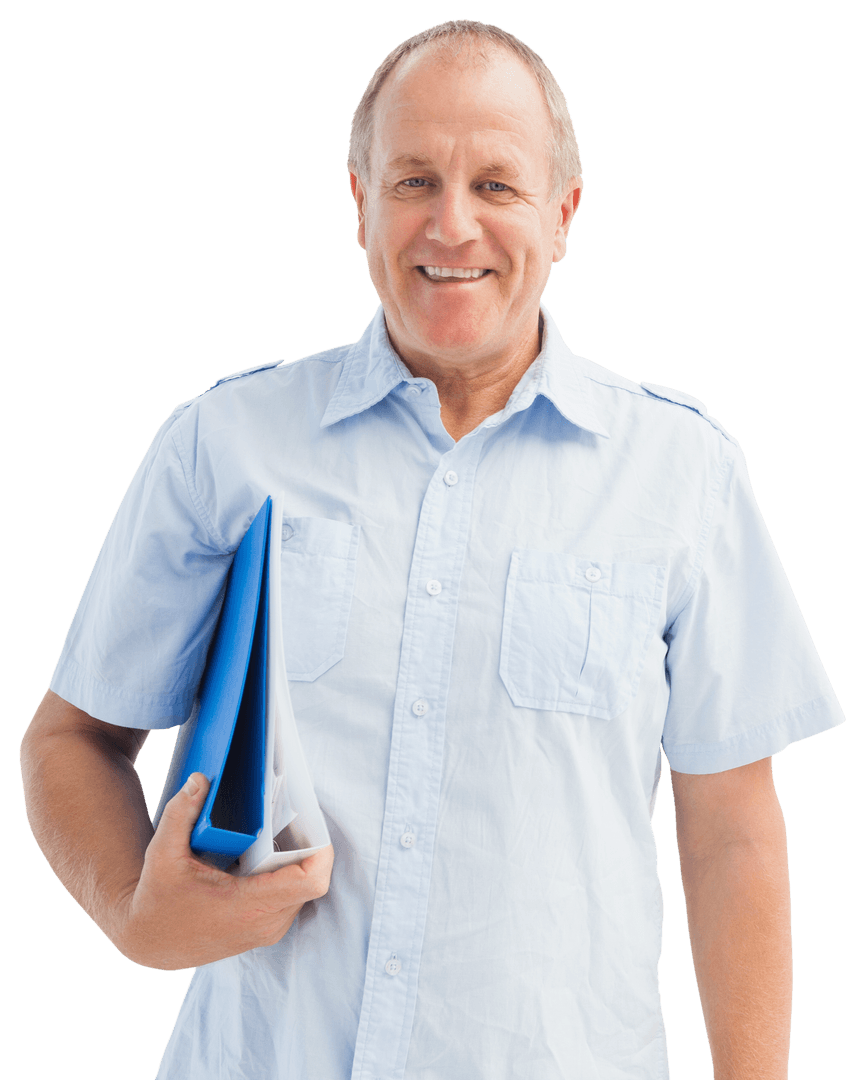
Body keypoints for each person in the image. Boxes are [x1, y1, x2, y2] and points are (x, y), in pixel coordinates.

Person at [19, 18, 844, 1080]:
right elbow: (71, 738)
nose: (451, 225)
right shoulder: (221, 446)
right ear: (360, 203)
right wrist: (135, 916)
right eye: (413, 181)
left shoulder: (681, 470)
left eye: (495, 185)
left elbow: (731, 828)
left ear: (562, 212)